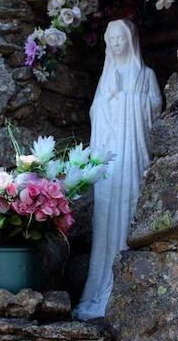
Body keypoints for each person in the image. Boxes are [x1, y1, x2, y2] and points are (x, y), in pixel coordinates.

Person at [73, 19, 162, 320]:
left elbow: (155, 109)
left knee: (131, 209)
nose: (115, 44)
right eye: (110, 39)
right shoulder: (106, 77)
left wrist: (129, 100)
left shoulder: (145, 75)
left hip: (134, 155)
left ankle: (126, 288)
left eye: (120, 39)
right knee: (107, 215)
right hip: (112, 157)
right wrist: (111, 100)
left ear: (131, 41)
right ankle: (99, 288)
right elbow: (96, 113)